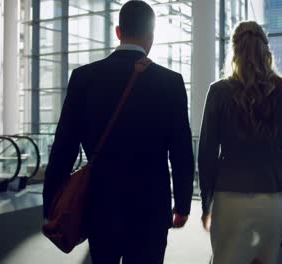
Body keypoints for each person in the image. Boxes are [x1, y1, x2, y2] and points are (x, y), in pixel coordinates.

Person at [42, 1, 194, 263]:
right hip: (151, 207)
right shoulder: (170, 82)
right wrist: (182, 205)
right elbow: (181, 152)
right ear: (151, 37)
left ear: (118, 32)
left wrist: (51, 202)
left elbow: (64, 146)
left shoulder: (84, 78)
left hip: (100, 204)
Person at [198, 21, 282, 264]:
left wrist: (206, 204)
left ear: (234, 50)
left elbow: (206, 156)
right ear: (266, 50)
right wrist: (275, 159)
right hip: (274, 200)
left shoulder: (218, 91)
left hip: (229, 197)